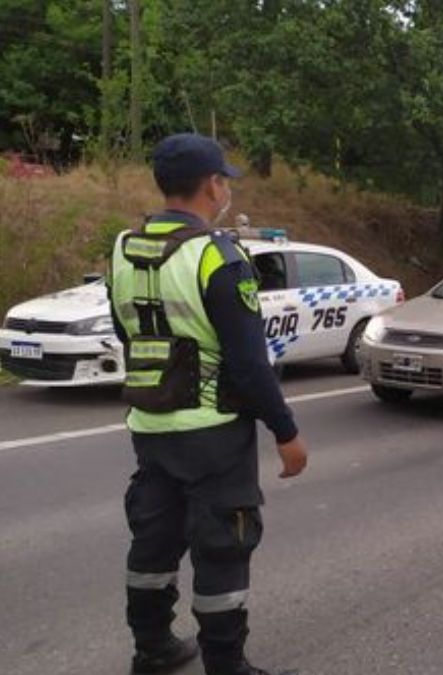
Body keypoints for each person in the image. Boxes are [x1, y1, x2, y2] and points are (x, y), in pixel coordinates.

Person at [109, 133, 307, 675]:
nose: (225, 190)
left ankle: (152, 648)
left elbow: (127, 334)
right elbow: (249, 363)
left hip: (149, 425)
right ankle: (226, 665)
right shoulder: (216, 255)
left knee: (153, 541)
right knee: (222, 546)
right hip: (213, 433)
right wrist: (286, 432)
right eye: (224, 180)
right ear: (212, 186)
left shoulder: (124, 248)